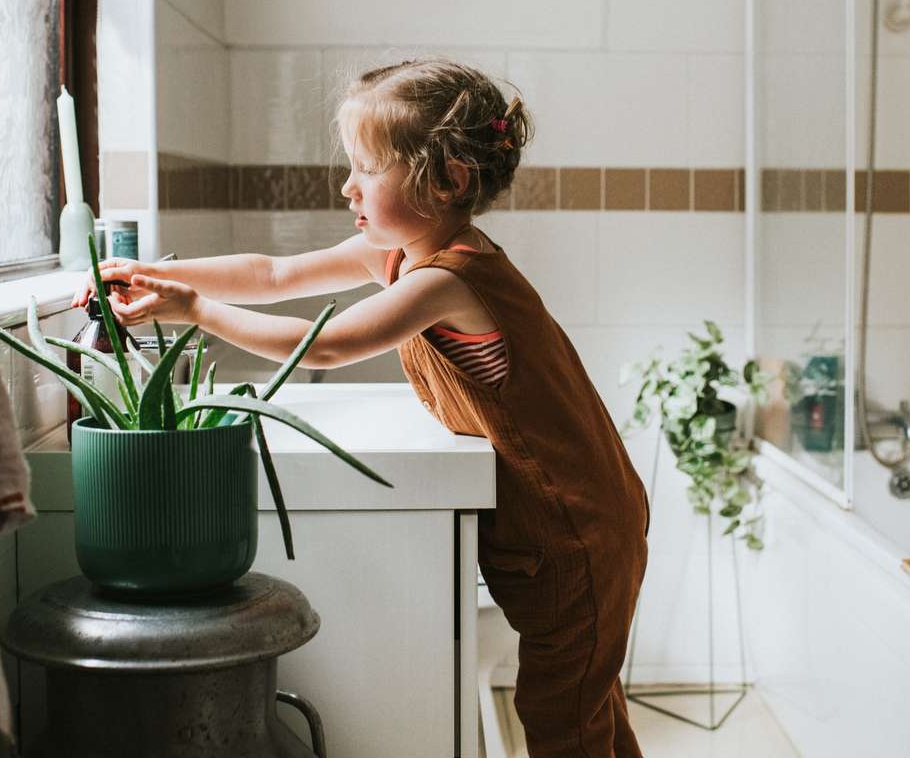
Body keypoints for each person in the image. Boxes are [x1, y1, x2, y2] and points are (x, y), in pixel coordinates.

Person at [75, 59, 649, 756]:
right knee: (590, 710)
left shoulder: (449, 278)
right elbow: (273, 274)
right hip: (569, 524)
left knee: (565, 722)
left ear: (448, 181)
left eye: (367, 169)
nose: (347, 186)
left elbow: (322, 347)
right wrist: (159, 275)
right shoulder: (400, 252)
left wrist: (195, 311)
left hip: (576, 533)